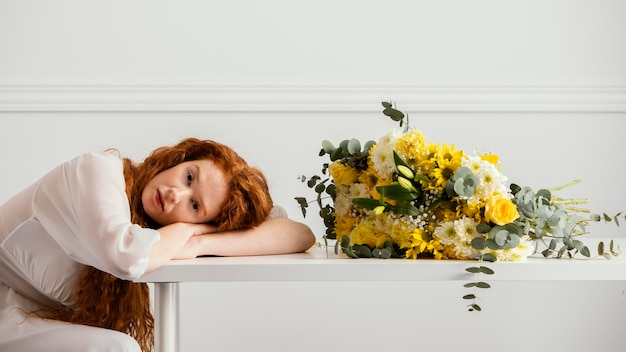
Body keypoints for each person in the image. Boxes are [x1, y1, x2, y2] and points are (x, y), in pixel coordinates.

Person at [0, 137, 316, 352]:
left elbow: (298, 234)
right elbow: (127, 256)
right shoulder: (96, 171)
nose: (176, 194)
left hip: (22, 321)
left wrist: (199, 239)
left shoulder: (155, 234)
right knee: (118, 348)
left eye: (195, 206)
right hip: (8, 316)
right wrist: (189, 228)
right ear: (179, 160)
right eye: (189, 177)